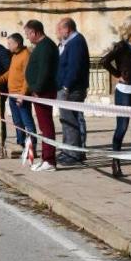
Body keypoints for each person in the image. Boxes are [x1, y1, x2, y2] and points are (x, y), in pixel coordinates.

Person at [99, 15, 131, 178]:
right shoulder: (121, 46)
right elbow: (104, 61)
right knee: (123, 127)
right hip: (124, 91)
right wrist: (117, 74)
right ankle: (116, 163)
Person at [24, 19, 59, 172]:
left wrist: (37, 88)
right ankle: (46, 158)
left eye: (27, 34)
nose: (27, 37)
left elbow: (45, 71)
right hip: (39, 91)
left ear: (34, 32)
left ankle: (49, 160)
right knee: (44, 126)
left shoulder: (45, 47)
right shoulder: (41, 46)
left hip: (43, 91)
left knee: (46, 126)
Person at [0, 33, 36, 159]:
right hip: (12, 94)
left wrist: (22, 95)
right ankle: (20, 145)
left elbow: (27, 78)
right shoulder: (14, 56)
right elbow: (10, 73)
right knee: (17, 122)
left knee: (27, 122)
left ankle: (32, 148)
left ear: (17, 44)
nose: (8, 46)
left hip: (20, 96)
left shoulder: (26, 55)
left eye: (9, 43)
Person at [56, 17, 90, 166]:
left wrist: (66, 86)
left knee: (71, 120)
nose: (57, 33)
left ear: (67, 29)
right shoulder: (69, 42)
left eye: (59, 30)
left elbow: (74, 67)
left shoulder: (76, 43)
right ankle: (68, 150)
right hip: (67, 87)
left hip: (72, 89)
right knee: (66, 121)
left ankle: (74, 154)